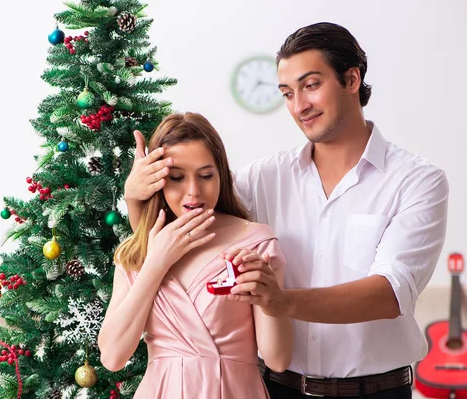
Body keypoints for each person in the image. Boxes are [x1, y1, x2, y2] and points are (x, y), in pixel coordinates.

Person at [123, 22, 449, 398]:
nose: (299, 106)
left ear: (352, 79)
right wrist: (134, 197)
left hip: (375, 391)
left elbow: (391, 294)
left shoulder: (417, 181)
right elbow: (182, 225)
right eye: (287, 93)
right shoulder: (263, 178)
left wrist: (282, 301)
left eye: (311, 85)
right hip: (276, 389)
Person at [98, 112, 293, 399]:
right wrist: (156, 263)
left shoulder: (255, 242)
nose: (194, 192)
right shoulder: (139, 251)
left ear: (221, 175)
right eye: (177, 178)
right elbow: (113, 357)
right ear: (158, 180)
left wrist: (270, 297)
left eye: (205, 176)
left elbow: (278, 360)